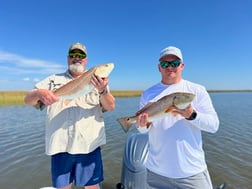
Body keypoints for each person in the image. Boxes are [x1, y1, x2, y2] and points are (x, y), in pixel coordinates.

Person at [24, 42, 115, 189]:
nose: (77, 58)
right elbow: (27, 100)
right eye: (73, 55)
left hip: (89, 146)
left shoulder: (99, 82)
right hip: (60, 147)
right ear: (68, 58)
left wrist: (103, 91)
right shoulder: (52, 80)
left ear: (86, 60)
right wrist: (39, 93)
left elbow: (110, 106)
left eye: (81, 55)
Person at [136, 46, 219, 189]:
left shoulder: (196, 91)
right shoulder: (148, 94)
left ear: (182, 66)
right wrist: (142, 125)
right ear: (159, 68)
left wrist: (192, 115)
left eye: (174, 63)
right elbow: (142, 131)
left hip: (192, 171)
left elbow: (213, 126)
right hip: (157, 173)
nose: (170, 67)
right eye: (165, 64)